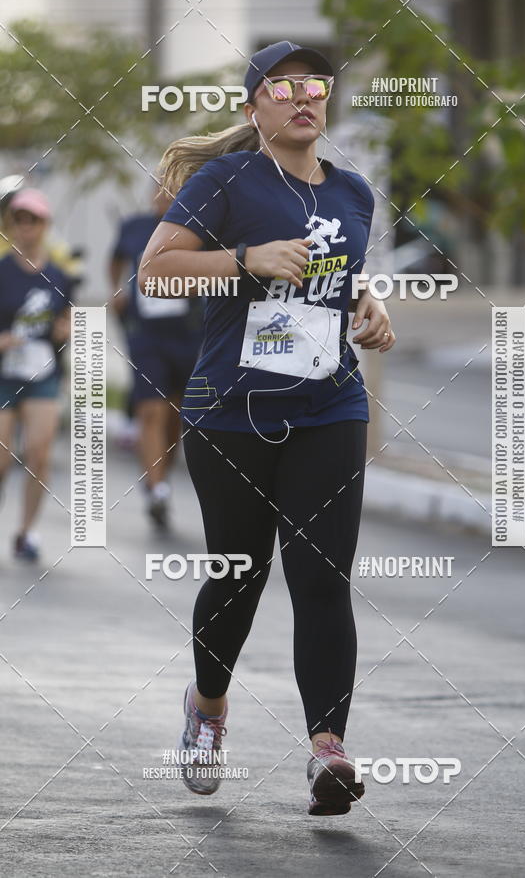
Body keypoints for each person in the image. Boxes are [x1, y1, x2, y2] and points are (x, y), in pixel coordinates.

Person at [139, 40, 396, 815]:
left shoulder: (352, 191)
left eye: (314, 85)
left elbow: (338, 283)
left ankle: (328, 751)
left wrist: (368, 306)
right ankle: (209, 709)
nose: (303, 96)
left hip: (329, 405)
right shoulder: (227, 180)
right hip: (233, 410)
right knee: (239, 575)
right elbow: (155, 268)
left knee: (322, 579)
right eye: (283, 87)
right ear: (255, 107)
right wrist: (246, 258)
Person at [109, 186, 205, 530]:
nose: (163, 195)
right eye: (158, 187)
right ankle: (157, 489)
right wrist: (117, 290)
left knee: (173, 418)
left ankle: (160, 476)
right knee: (151, 410)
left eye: (172, 190)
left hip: (187, 335)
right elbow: (116, 258)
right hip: (146, 336)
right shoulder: (135, 227)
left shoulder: (196, 227)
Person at [0, 189, 71, 561]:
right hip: (3, 373)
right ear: (11, 226)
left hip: (42, 372)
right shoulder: (2, 271)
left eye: (34, 220)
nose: (27, 227)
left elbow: (68, 320)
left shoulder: (60, 275)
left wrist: (66, 331)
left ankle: (27, 532)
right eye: (20, 220)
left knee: (39, 453)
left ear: (45, 225)